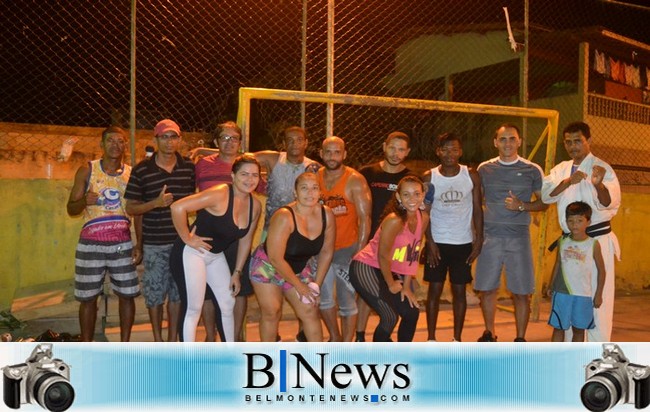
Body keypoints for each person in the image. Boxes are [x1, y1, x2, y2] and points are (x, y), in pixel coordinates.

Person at [541, 121, 620, 342]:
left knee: (597, 298)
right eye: (568, 142)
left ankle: (597, 351)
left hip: (596, 240)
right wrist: (567, 182)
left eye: (578, 141)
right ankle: (569, 351)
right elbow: (547, 196)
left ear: (588, 141)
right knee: (568, 295)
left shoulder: (601, 168)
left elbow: (609, 203)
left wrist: (598, 185)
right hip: (570, 244)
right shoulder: (560, 170)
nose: (573, 146)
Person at [169, 154, 262, 342]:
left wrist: (237, 271)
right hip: (192, 253)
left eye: (255, 175)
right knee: (193, 307)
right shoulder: (220, 193)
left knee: (228, 303)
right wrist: (187, 238)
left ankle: (229, 352)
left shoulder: (255, 205)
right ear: (233, 176)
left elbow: (246, 240)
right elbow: (178, 207)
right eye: (244, 174)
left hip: (215, 255)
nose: (250, 179)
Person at [475, 123, 548, 342]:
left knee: (521, 292)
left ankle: (520, 339)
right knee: (487, 289)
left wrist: (522, 206)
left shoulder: (532, 169)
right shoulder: (484, 169)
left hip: (519, 238)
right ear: (495, 142)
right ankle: (489, 333)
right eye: (503, 139)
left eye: (512, 138)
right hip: (490, 237)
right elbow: (476, 201)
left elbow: (544, 203)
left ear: (519, 142)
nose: (508, 143)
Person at [67, 126, 140, 342]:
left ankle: (124, 345)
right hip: (91, 244)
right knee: (88, 298)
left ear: (125, 146)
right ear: (101, 144)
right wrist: (83, 201)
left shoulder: (131, 173)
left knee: (127, 295)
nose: (115, 145)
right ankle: (87, 344)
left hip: (122, 244)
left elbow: (137, 209)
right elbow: (71, 208)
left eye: (120, 141)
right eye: (110, 140)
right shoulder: (87, 170)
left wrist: (139, 245)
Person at [125, 119, 195, 342]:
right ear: (155, 140)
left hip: (181, 243)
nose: (169, 141)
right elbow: (131, 207)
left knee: (176, 295)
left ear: (179, 139)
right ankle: (158, 339)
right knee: (155, 295)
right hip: (154, 243)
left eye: (173, 136)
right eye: (164, 137)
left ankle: (173, 340)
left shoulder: (188, 168)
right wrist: (155, 203)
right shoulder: (141, 170)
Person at [250, 172, 336, 342]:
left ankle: (318, 359)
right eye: (304, 188)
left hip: (298, 267)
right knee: (272, 311)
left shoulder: (327, 215)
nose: (309, 193)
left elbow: (326, 252)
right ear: (295, 192)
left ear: (320, 192)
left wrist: (315, 285)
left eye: (314, 188)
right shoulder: (284, 216)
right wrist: (299, 286)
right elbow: (275, 258)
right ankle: (269, 356)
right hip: (268, 266)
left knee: (310, 310)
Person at [194, 121, 256, 342]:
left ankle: (234, 337)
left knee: (238, 288)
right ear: (216, 141)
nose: (230, 142)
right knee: (207, 291)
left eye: (235, 138)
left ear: (241, 142)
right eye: (225, 138)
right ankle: (211, 337)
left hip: (237, 235)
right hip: (210, 235)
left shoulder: (248, 166)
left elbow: (275, 157)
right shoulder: (202, 164)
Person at [350, 175, 428, 342]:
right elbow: (383, 255)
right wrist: (391, 284)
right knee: (390, 317)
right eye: (406, 194)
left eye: (416, 193)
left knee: (411, 312)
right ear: (398, 197)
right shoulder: (395, 221)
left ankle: (403, 357)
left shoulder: (423, 218)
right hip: (366, 266)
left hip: (388, 269)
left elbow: (412, 253)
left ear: (423, 195)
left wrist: (407, 286)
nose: (412, 199)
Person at [423, 132, 483, 342]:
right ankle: (431, 338)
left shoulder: (471, 175)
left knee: (459, 291)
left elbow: (477, 209)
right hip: (437, 243)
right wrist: (429, 242)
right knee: (435, 290)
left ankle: (456, 339)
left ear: (461, 152)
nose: (450, 153)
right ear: (438, 151)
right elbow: (425, 213)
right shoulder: (430, 177)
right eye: (445, 149)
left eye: (454, 149)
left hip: (463, 243)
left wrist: (479, 240)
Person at [354, 131, 412, 342]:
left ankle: (393, 338)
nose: (396, 153)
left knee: (399, 293)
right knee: (364, 294)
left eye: (401, 149)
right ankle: (359, 336)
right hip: (370, 245)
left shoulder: (409, 178)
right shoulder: (367, 173)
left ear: (407, 152)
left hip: (396, 247)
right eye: (392, 148)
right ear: (384, 146)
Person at [318, 136, 372, 342]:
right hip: (321, 251)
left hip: (346, 250)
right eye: (328, 152)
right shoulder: (314, 177)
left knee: (347, 301)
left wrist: (358, 254)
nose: (332, 157)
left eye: (337, 152)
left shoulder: (354, 180)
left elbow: (365, 218)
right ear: (321, 154)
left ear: (344, 154)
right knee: (323, 299)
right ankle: (335, 337)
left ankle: (346, 345)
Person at [547, 202, 605, 342]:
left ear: (588, 221)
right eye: (571, 221)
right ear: (566, 221)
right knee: (559, 327)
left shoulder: (593, 244)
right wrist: (551, 285)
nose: (575, 225)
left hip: (583, 295)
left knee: (579, 330)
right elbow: (558, 264)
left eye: (579, 221)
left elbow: (602, 271)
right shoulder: (562, 241)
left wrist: (598, 294)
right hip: (562, 293)